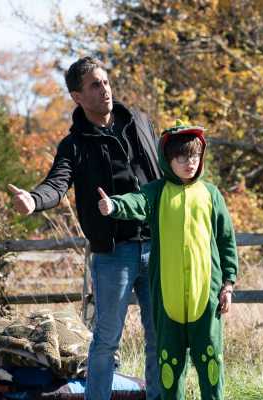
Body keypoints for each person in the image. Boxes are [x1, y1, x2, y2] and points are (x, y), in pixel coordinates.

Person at [8, 56, 161, 400]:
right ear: (77, 97)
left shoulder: (139, 123)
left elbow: (163, 171)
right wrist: (33, 200)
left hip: (156, 246)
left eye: (106, 82)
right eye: (95, 85)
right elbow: (56, 184)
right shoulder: (74, 144)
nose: (105, 89)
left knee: (158, 337)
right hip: (114, 254)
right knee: (106, 342)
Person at [97, 122, 238, 400]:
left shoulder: (211, 194)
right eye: (182, 158)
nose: (190, 163)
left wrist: (228, 284)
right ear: (167, 160)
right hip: (167, 296)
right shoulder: (157, 192)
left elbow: (226, 241)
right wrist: (114, 205)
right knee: (170, 363)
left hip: (206, 295)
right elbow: (136, 201)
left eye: (194, 156)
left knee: (210, 359)